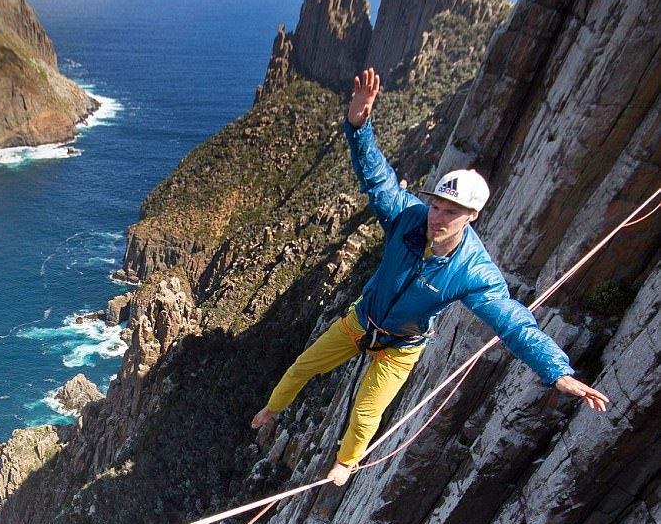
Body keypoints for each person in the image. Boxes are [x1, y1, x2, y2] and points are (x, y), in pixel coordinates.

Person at [251, 68, 609, 486]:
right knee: (302, 367)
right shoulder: (408, 217)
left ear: (471, 217)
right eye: (436, 206)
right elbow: (376, 176)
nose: (437, 218)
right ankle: (272, 410)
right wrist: (358, 125)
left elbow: (514, 323)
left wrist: (557, 372)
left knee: (367, 412)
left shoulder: (473, 271)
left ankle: (346, 462)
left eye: (450, 212)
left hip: (401, 347)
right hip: (361, 320)